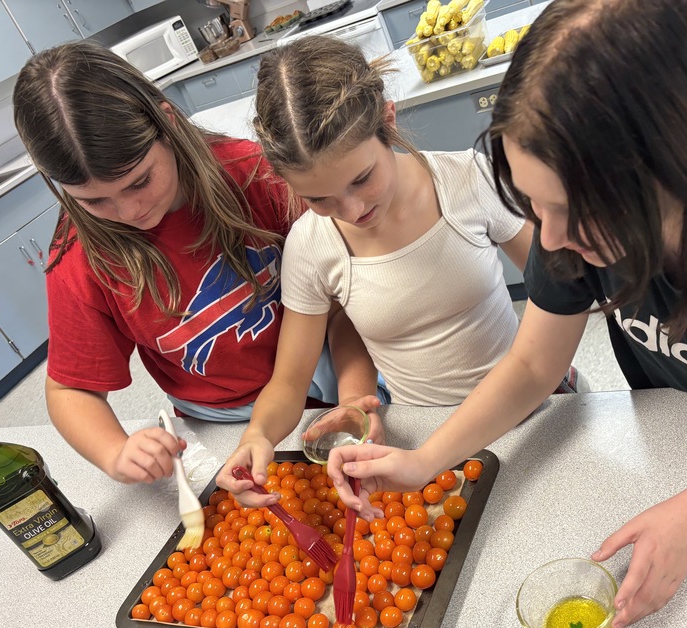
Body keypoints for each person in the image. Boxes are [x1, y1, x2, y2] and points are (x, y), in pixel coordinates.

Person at [326, 0, 687, 628]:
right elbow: (533, 362)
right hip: (673, 431)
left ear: (681, 162)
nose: (546, 242)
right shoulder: (574, 223)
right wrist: (422, 460)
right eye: (533, 204)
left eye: (567, 210)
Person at [13, 41, 376, 484]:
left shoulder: (254, 174)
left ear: (167, 122)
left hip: (333, 374)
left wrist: (354, 395)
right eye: (92, 200)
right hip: (221, 419)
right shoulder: (80, 261)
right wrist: (114, 452)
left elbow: (345, 306)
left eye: (139, 181)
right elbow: (71, 389)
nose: (129, 212)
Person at [215, 36, 550, 498]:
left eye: (361, 178)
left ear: (387, 123)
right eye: (319, 198)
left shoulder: (467, 180)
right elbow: (290, 381)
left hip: (532, 404)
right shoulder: (311, 247)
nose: (352, 210)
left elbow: (557, 286)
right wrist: (257, 437)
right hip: (423, 434)